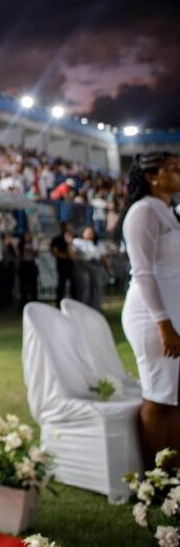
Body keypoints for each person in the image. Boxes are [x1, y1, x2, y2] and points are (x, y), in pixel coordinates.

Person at [120, 152, 180, 470]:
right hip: (151, 316)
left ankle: (175, 468)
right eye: (173, 169)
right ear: (153, 176)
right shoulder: (142, 212)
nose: (179, 173)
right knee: (159, 395)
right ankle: (156, 478)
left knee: (176, 397)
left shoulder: (170, 212)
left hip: (174, 312)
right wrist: (163, 324)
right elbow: (142, 273)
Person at [72, 225, 108, 312]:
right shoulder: (77, 242)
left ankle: (96, 309)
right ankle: (83, 309)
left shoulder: (98, 244)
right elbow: (74, 253)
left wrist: (108, 268)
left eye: (91, 232)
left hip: (96, 265)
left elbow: (103, 257)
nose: (89, 234)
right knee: (85, 286)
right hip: (82, 265)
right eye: (87, 231)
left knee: (97, 287)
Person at [50, 222, 74, 303]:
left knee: (74, 286)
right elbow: (54, 252)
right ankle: (59, 304)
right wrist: (65, 255)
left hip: (72, 266)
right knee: (61, 286)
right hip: (62, 266)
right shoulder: (57, 239)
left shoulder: (73, 239)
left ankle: (74, 303)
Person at [18, 231, 39, 309]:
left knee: (33, 285)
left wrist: (34, 249)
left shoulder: (33, 244)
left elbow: (37, 254)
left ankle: (34, 301)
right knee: (23, 286)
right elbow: (19, 255)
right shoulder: (21, 245)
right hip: (24, 265)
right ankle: (23, 303)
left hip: (31, 265)